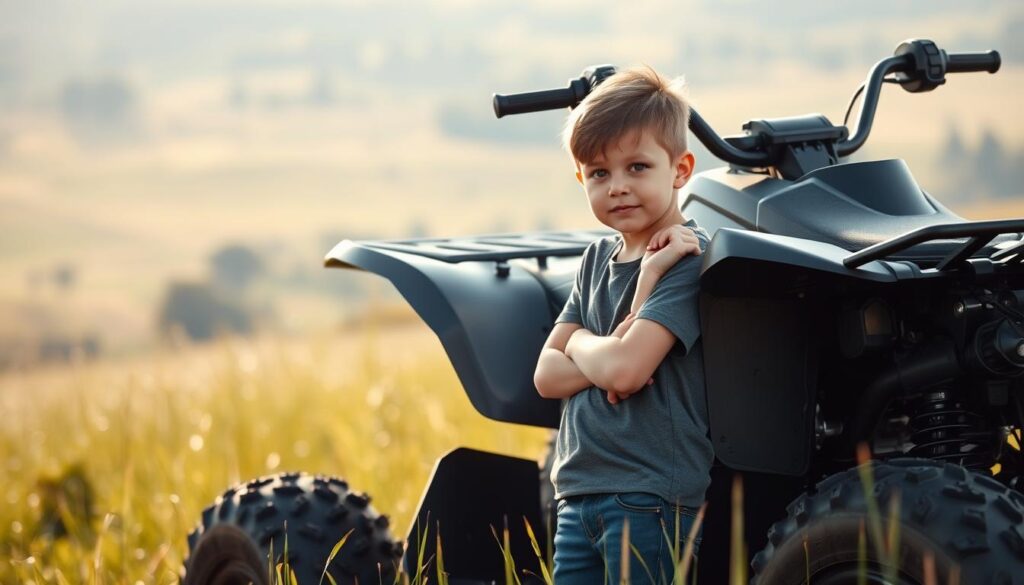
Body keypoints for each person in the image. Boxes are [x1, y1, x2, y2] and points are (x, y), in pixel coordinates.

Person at [532, 66, 713, 585]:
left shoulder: (684, 257)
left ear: (680, 169)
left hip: (648, 495)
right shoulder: (595, 261)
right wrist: (602, 349)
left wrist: (584, 346)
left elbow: (629, 372)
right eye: (599, 173)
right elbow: (545, 375)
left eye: (637, 167)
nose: (618, 188)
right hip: (578, 492)